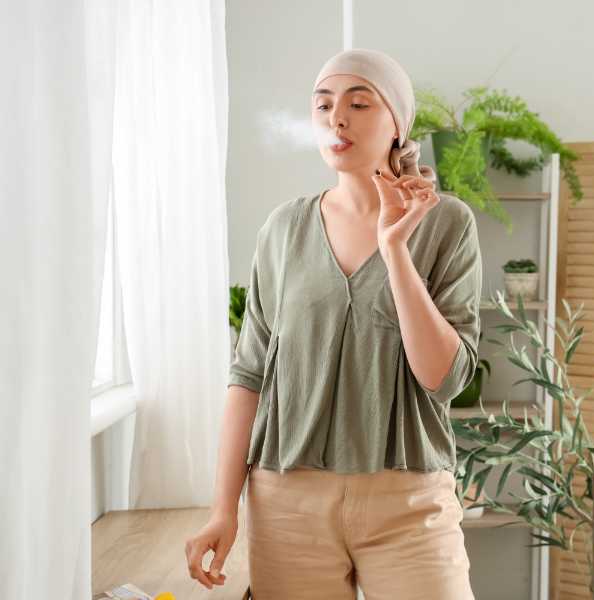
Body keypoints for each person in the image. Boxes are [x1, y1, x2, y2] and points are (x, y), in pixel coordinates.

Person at [184, 48, 482, 600]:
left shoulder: (446, 225)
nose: (336, 118)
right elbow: (248, 376)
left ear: (398, 122)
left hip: (409, 501)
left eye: (359, 103)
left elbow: (445, 377)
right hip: (287, 503)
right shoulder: (283, 229)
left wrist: (395, 248)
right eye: (322, 105)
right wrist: (223, 509)